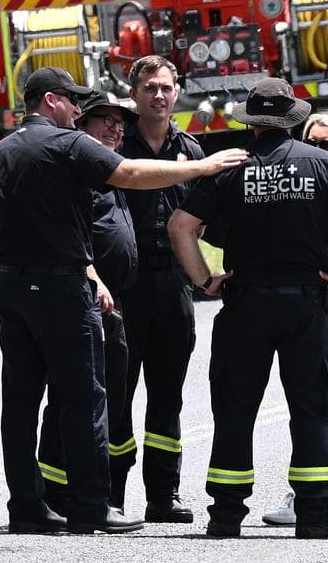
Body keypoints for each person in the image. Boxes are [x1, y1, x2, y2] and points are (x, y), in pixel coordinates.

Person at [0, 67, 246, 535]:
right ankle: (91, 505)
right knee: (84, 398)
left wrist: (1, 284)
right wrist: (203, 166)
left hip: (15, 290)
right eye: (73, 102)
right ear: (51, 101)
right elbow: (131, 173)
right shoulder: (69, 144)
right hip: (61, 288)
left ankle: (27, 508)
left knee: (19, 402)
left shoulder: (0, 153)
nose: (78, 111)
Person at [167, 77, 328, 540]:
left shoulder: (229, 168)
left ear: (252, 122)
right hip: (308, 307)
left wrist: (205, 281)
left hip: (245, 306)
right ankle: (315, 518)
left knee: (235, 412)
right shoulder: (322, 164)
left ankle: (225, 517)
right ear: (291, 120)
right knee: (310, 413)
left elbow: (181, 225)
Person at [261, 111, 328, 526]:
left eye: (327, 144)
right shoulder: (303, 184)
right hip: (304, 307)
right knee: (307, 403)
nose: (319, 150)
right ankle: (312, 491)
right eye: (312, 142)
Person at [37, 91, 140, 515]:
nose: (116, 128)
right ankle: (59, 492)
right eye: (105, 120)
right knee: (71, 398)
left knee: (111, 399)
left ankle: (107, 490)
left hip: (116, 307)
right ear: (82, 125)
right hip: (83, 303)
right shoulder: (75, 169)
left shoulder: (107, 168)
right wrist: (90, 276)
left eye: (121, 122)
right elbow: (64, 236)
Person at [113, 55, 204, 523]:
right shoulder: (114, 147)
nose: (159, 95)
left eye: (167, 87)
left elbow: (209, 220)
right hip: (124, 285)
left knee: (168, 395)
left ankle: (163, 496)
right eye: (150, 88)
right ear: (134, 94)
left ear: (177, 92)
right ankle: (111, 494)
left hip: (173, 283)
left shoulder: (190, 149)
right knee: (117, 392)